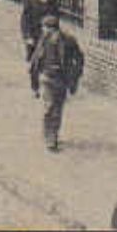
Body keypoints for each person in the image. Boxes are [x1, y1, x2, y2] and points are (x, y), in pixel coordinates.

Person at [28, 14, 84, 151]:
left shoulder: (68, 41)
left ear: (53, 29)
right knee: (49, 107)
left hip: (61, 78)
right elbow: (34, 62)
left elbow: (79, 58)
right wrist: (34, 85)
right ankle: (50, 139)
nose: (44, 31)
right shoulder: (43, 41)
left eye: (46, 29)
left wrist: (73, 77)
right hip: (47, 78)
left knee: (58, 109)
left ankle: (54, 135)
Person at [21, 0, 62, 96]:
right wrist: (27, 37)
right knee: (35, 63)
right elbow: (24, 22)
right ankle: (35, 87)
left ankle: (48, 87)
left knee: (48, 61)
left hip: (48, 37)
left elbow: (56, 21)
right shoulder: (31, 3)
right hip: (34, 38)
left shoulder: (53, 4)